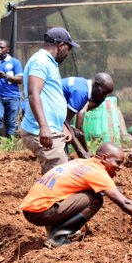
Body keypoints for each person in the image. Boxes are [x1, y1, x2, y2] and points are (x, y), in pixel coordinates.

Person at [20, 143, 132, 248]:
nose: (119, 168)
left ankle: (55, 233)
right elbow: (126, 203)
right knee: (95, 199)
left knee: (89, 193)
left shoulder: (81, 163)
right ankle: (58, 237)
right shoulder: (98, 173)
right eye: (117, 162)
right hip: (41, 212)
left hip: (32, 209)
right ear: (104, 158)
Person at [21, 27, 78, 174]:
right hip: (40, 130)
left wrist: (62, 126)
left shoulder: (49, 62)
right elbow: (34, 93)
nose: (68, 53)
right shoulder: (40, 61)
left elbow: (50, 97)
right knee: (61, 175)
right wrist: (44, 127)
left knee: (53, 175)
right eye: (68, 48)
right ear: (61, 46)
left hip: (52, 129)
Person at [62, 73, 115, 157]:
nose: (103, 97)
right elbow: (64, 121)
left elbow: (66, 122)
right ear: (97, 84)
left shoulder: (83, 85)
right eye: (104, 92)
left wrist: (86, 151)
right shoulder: (81, 93)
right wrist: (80, 152)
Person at [0, 39, 23, 137]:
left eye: (1, 47)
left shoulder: (14, 62)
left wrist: (5, 76)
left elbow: (20, 80)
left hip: (12, 97)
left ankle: (10, 144)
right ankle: (1, 143)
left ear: (8, 50)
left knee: (11, 123)